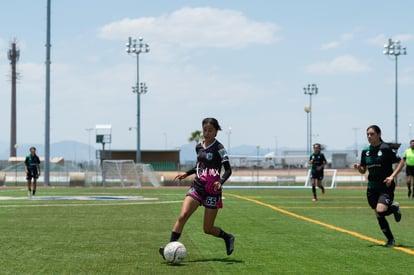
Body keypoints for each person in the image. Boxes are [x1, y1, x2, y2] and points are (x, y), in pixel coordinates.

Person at [159, 118, 234, 258]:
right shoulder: (198, 146)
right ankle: (168, 250)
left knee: (208, 228)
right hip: (198, 187)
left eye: (210, 130)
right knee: (183, 216)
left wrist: (221, 181)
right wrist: (186, 173)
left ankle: (227, 237)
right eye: (205, 130)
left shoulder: (220, 148)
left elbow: (228, 170)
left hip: (213, 190)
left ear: (216, 132)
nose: (206, 133)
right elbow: (200, 166)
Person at [354, 125, 404, 247]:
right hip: (372, 187)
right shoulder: (365, 151)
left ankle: (394, 209)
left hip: (385, 186)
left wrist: (392, 176)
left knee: (380, 210)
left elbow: (401, 162)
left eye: (372, 134)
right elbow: (363, 170)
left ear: (379, 134)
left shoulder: (386, 148)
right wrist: (359, 168)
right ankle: (390, 239)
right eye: (368, 134)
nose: (369, 137)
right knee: (378, 213)